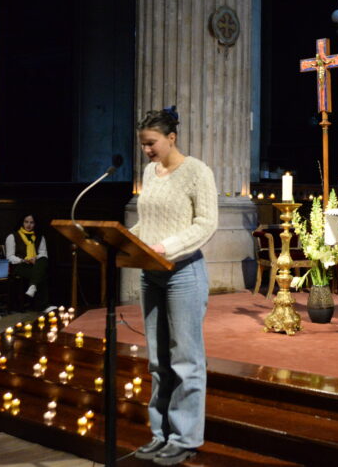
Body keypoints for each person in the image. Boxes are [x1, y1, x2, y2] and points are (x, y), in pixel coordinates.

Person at [131, 107, 218, 466]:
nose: (147, 151)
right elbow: (145, 222)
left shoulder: (197, 172)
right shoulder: (151, 172)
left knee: (185, 359)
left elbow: (206, 224)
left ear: (171, 138)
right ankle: (160, 434)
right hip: (150, 272)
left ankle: (185, 437)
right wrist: (122, 240)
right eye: (143, 145)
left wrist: (165, 247)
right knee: (157, 360)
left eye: (151, 144)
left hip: (183, 272)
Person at [5, 212, 49, 309]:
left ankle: (32, 286)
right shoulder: (12, 236)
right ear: (22, 222)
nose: (28, 225)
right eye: (26, 222)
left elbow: (43, 253)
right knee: (41, 273)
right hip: (19, 265)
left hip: (35, 264)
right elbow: (10, 257)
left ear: (35, 224)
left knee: (43, 260)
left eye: (31, 222)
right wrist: (24, 260)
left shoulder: (40, 237)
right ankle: (42, 306)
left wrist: (35, 258)